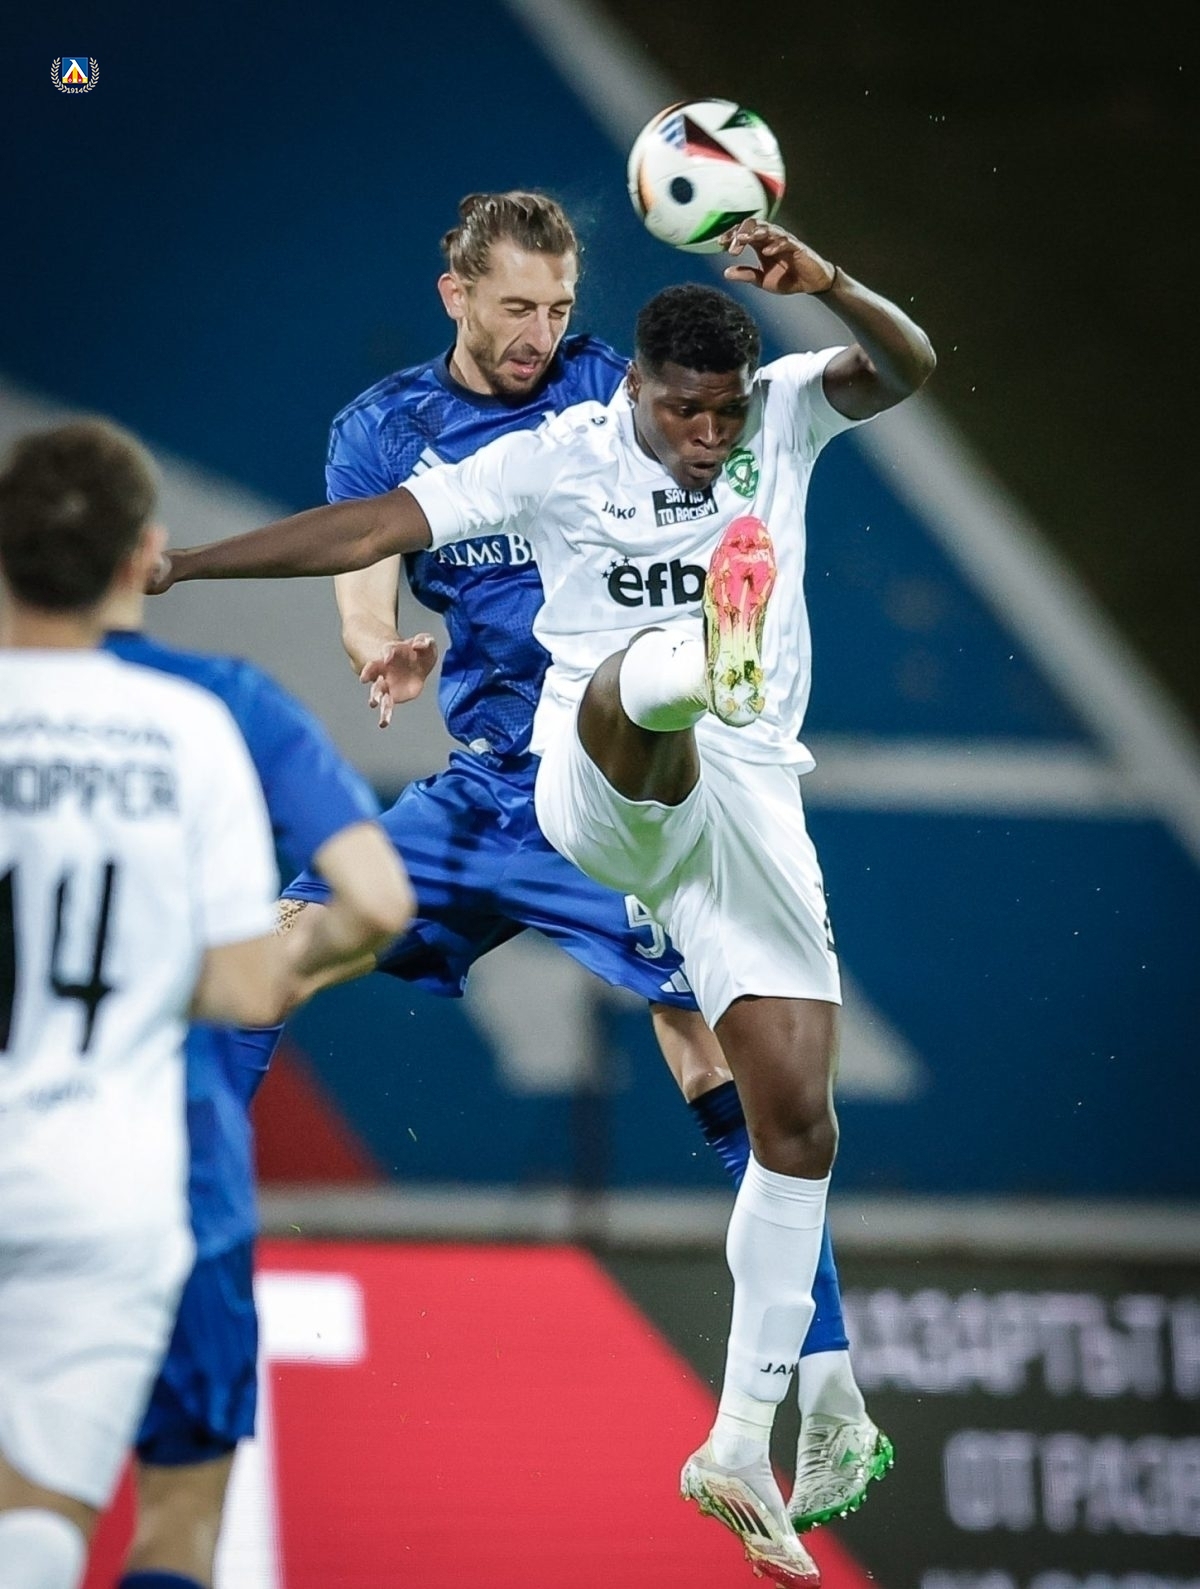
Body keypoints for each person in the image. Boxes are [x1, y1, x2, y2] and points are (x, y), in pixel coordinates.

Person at [150, 216, 935, 1581]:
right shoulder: (414, 430)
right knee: (278, 947)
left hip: (673, 793)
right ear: (455, 293)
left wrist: (821, 284)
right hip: (502, 784)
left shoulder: (645, 397)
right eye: (517, 307)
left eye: (560, 306)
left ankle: (817, 1394)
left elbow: (884, 371)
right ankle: (179, 1228)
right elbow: (372, 545)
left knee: (753, 1075)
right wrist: (352, 632)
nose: (540, 333)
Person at [0, 419, 366, 1589]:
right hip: (135, 1177)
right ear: (140, 553)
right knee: (148, 1520)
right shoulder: (207, 715)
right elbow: (343, 918)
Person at [96, 618, 412, 1582]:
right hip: (165, 1164)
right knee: (178, 1519)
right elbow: (371, 905)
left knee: (32, 1502)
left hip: (19, 1159)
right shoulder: (219, 706)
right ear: (143, 555)